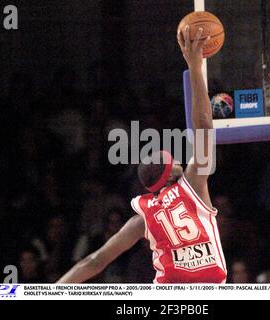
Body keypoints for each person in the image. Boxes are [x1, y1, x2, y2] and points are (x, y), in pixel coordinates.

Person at [57, 26, 227, 283]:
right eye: (173, 161)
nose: (179, 160)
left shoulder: (143, 219)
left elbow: (96, 261)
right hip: (210, 292)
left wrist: (51, 291)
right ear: (170, 173)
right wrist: (195, 66)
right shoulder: (193, 185)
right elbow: (203, 124)